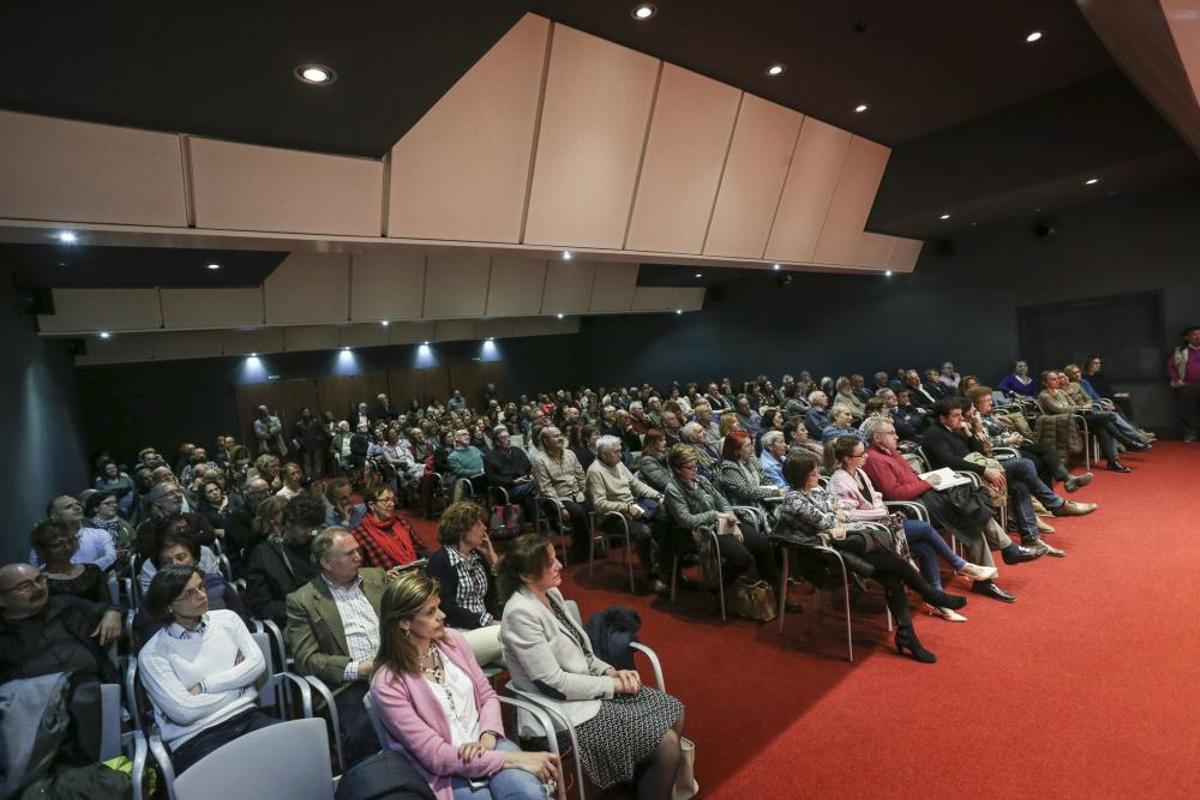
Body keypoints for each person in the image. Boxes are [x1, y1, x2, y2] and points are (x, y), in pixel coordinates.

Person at [498, 535, 685, 797]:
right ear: (527, 577)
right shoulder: (520, 613)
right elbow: (554, 685)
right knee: (666, 745)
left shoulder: (550, 593)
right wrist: (611, 685)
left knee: (674, 711)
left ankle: (642, 782)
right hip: (560, 711)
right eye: (550, 562)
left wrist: (609, 670)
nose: (560, 565)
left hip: (586, 693)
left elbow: (581, 651)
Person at [370, 571, 557, 800]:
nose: (442, 615)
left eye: (438, 606)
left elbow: (487, 695)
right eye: (430, 612)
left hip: (488, 743)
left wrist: (488, 736)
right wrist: (513, 758)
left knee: (528, 794)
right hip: (446, 771)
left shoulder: (452, 641)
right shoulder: (388, 683)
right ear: (404, 622)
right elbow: (436, 756)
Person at [774, 454, 966, 663]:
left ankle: (908, 633)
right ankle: (930, 597)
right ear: (800, 476)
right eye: (813, 473)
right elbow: (829, 522)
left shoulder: (817, 489)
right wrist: (834, 516)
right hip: (822, 556)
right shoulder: (794, 499)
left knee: (891, 573)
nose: (819, 476)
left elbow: (842, 512)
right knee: (892, 565)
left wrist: (835, 516)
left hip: (845, 544)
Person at [860, 418, 1032, 603]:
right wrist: (927, 482)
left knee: (971, 509)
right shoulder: (875, 460)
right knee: (970, 511)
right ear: (877, 437)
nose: (897, 436)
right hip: (912, 508)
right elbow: (895, 494)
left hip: (926, 497)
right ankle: (1007, 551)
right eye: (891, 433)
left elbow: (913, 477)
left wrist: (941, 478)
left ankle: (991, 573)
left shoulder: (892, 453)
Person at [825, 436, 995, 622]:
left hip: (882, 523)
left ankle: (940, 599)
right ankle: (960, 567)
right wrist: (877, 514)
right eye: (860, 454)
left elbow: (877, 498)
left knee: (926, 548)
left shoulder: (860, 473)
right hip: (867, 530)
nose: (865, 456)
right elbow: (847, 515)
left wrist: (879, 511)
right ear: (847, 459)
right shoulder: (839, 481)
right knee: (924, 529)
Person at [138, 566, 277, 774]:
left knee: (290, 755)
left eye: (201, 587)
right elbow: (184, 712)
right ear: (169, 606)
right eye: (190, 593)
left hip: (247, 716)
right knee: (232, 779)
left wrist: (204, 687)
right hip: (196, 737)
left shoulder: (227, 619)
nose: (202, 595)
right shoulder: (153, 654)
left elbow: (257, 664)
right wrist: (240, 686)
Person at [286, 527, 394, 768]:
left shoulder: (377, 577)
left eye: (358, 550)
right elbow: (306, 659)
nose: (359, 557)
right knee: (363, 731)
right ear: (326, 562)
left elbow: (403, 618)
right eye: (349, 553)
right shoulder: (303, 601)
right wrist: (359, 669)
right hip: (349, 684)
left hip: (396, 668)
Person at [664, 444, 777, 589]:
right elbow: (686, 520)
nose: (695, 469)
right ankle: (718, 588)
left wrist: (730, 516)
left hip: (722, 523)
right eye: (690, 467)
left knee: (763, 543)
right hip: (702, 531)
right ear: (677, 469)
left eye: (696, 465)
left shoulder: (701, 480)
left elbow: (721, 500)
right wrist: (716, 514)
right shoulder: (673, 489)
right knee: (743, 559)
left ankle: (776, 593)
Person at [968, 387, 1094, 493]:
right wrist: (1008, 440)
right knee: (1038, 461)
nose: (991, 403)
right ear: (976, 404)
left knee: (1045, 448)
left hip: (1014, 445)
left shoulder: (990, 416)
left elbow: (1003, 431)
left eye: (991, 399)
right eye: (987, 401)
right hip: (1003, 451)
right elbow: (987, 442)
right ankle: (1056, 490)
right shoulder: (977, 421)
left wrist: (1015, 435)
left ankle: (1066, 480)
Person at [133, 532, 248, 648]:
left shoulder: (216, 583)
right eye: (166, 562)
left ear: (195, 559)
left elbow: (241, 620)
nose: (175, 564)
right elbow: (153, 642)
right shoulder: (154, 597)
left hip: (227, 647)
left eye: (181, 558)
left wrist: (239, 647)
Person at [424, 502, 504, 667]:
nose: (484, 528)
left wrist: (492, 557)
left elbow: (494, 595)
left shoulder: (478, 557)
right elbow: (447, 609)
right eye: (478, 524)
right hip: (457, 633)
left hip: (487, 630)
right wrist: (489, 622)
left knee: (524, 656)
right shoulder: (440, 561)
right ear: (461, 529)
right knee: (518, 636)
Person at [585, 436, 666, 589]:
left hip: (632, 507)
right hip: (611, 517)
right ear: (603, 454)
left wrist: (659, 495)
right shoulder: (595, 471)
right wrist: (625, 508)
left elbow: (636, 485)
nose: (620, 455)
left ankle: (666, 566)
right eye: (616, 452)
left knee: (664, 516)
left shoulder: (618, 464)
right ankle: (651, 576)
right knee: (644, 532)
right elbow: (599, 504)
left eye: (620, 451)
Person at [531, 426, 591, 560]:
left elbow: (581, 477)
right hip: (557, 498)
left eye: (560, 435)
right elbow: (546, 488)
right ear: (546, 441)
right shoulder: (540, 459)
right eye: (555, 436)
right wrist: (561, 507)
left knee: (594, 506)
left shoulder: (570, 454)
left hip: (577, 494)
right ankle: (586, 550)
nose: (560, 438)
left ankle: (581, 546)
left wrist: (587, 493)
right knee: (579, 512)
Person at [30, 495, 118, 572]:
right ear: (54, 515)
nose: (77, 508)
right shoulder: (45, 541)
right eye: (68, 507)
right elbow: (36, 569)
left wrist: (77, 572)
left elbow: (110, 558)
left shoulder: (99, 534)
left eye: (78, 504)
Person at [31, 520, 108, 603]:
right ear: (42, 549)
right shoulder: (40, 583)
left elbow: (107, 603)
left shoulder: (92, 570)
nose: (67, 547)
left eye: (70, 542)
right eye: (58, 544)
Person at [353, 485, 424, 571]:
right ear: (371, 505)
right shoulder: (359, 534)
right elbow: (361, 570)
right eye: (386, 500)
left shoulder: (400, 521)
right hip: (389, 581)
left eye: (393, 499)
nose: (392, 504)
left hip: (416, 572)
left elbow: (419, 546)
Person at [484, 427, 538, 527]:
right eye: (504, 438)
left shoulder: (517, 451)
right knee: (536, 486)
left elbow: (527, 466)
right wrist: (513, 481)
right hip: (507, 489)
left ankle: (537, 522)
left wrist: (525, 477)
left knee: (530, 494)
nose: (508, 440)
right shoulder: (490, 457)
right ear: (497, 442)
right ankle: (542, 520)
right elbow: (492, 479)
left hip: (524, 483)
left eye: (509, 437)